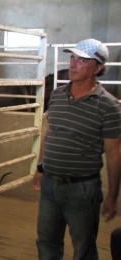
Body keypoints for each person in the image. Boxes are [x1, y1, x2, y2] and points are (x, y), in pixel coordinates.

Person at [33, 38, 121, 260]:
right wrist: (40, 167)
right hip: (50, 184)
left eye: (82, 60)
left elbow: (114, 153)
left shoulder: (109, 106)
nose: (73, 64)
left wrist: (112, 195)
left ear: (98, 67)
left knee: (83, 249)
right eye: (72, 58)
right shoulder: (57, 95)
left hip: (82, 189)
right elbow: (51, 134)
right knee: (46, 241)